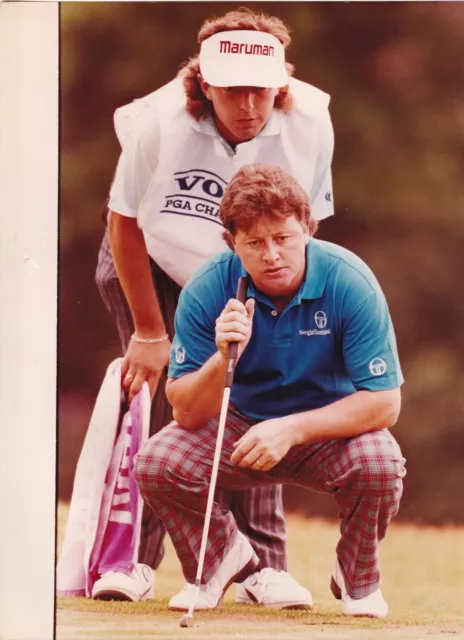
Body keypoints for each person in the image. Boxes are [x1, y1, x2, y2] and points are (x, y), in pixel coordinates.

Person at [93, 8, 334, 608]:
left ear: (280, 83)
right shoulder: (159, 124)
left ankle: (262, 567)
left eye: (260, 88)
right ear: (204, 83)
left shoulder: (311, 122)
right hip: (150, 259)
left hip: (249, 264)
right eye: (232, 89)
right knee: (165, 394)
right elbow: (122, 224)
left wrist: (293, 308)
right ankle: (136, 561)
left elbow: (311, 227)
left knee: (256, 386)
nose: (248, 103)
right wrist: (150, 331)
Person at [134, 163, 406, 617]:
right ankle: (219, 559)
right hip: (237, 423)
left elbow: (384, 402)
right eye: (254, 243)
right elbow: (184, 411)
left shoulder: (348, 280)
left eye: (283, 238)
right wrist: (223, 357)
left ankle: (356, 576)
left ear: (306, 228)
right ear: (232, 243)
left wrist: (291, 429)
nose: (272, 255)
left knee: (380, 464)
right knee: (157, 464)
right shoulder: (208, 286)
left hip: (326, 429)